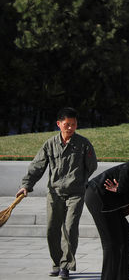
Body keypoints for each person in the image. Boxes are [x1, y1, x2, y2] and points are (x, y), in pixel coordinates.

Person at [17, 107, 97, 279]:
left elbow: (92, 165)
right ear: (59, 124)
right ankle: (56, 262)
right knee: (52, 229)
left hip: (76, 194)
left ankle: (66, 265)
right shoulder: (50, 144)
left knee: (70, 228)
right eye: (67, 124)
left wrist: (80, 180)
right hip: (54, 193)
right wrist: (26, 185)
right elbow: (37, 167)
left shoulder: (83, 144)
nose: (70, 128)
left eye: (73, 124)